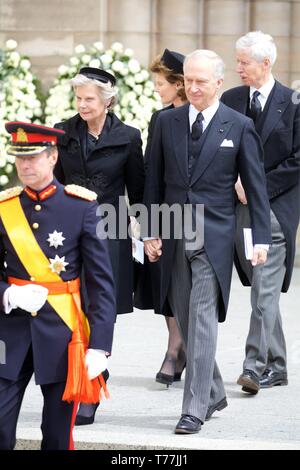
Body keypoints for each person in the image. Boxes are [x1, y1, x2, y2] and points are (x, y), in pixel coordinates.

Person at [143, 49, 271, 434]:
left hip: (213, 239)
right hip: (173, 234)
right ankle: (213, 390)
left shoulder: (239, 125)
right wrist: (149, 230)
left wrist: (260, 239)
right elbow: (153, 180)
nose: (193, 87)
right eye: (188, 80)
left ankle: (194, 408)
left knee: (201, 322)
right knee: (184, 318)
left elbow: (256, 186)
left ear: (218, 83)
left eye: (202, 81)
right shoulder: (165, 123)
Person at [0, 122, 116, 450]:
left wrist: (100, 346)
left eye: (33, 158)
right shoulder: (4, 209)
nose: (25, 166)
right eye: (20, 159)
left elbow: (101, 283)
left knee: (56, 433)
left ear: (52, 158)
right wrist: (9, 294)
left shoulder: (80, 206)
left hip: (64, 334)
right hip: (8, 332)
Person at [54, 67, 144, 424]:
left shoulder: (128, 136)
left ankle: (93, 382)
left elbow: (137, 192)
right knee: (72, 305)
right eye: (78, 98)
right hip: (68, 230)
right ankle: (75, 376)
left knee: (100, 307)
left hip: (110, 232)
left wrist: (150, 234)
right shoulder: (63, 132)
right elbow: (55, 182)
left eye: (89, 99)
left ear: (107, 102)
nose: (82, 105)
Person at [221, 31, 300, 395]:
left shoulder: (294, 103)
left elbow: (298, 160)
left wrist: (255, 186)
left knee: (262, 291)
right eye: (236, 61)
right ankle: (279, 365)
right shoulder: (231, 100)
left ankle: (253, 365)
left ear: (265, 64)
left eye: (244, 62)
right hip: (236, 212)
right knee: (262, 289)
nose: (237, 68)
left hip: (274, 213)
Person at [137, 49, 187, 386]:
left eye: (160, 83)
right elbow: (149, 171)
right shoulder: (160, 118)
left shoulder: (212, 116)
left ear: (179, 84)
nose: (157, 88)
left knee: (192, 285)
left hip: (201, 214)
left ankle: (185, 347)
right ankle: (174, 346)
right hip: (166, 211)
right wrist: (147, 224)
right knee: (165, 284)